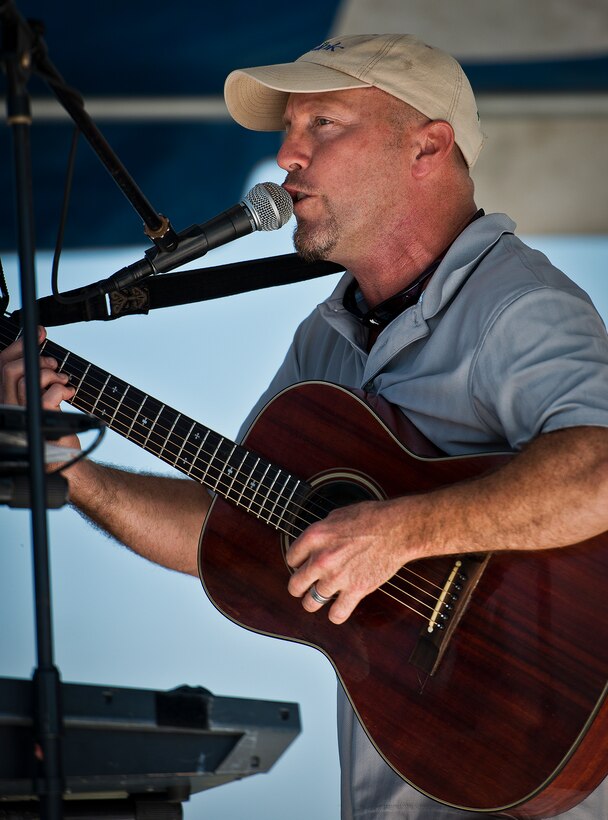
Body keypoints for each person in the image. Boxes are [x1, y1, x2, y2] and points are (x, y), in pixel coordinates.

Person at [1, 33, 607, 819]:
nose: (286, 156)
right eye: (290, 129)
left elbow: (597, 472)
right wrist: (71, 470)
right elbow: (230, 527)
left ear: (426, 147)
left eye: (322, 124)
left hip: (536, 760)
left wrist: (400, 533)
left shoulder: (514, 305)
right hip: (403, 778)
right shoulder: (326, 339)